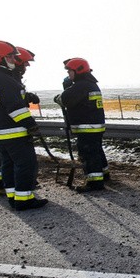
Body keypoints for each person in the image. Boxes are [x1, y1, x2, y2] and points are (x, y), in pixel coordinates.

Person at [0, 40, 47, 210]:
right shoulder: (4, 79)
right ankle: (24, 200)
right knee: (25, 164)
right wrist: (30, 124)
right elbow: (14, 107)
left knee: (7, 164)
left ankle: (13, 196)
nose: (13, 60)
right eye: (9, 56)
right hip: (14, 131)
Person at [55, 57, 108, 192]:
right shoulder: (90, 84)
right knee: (96, 151)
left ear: (78, 71)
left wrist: (60, 95)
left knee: (88, 153)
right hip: (95, 126)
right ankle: (104, 174)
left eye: (70, 72)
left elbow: (65, 99)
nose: (68, 75)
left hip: (87, 127)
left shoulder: (81, 85)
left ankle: (94, 183)